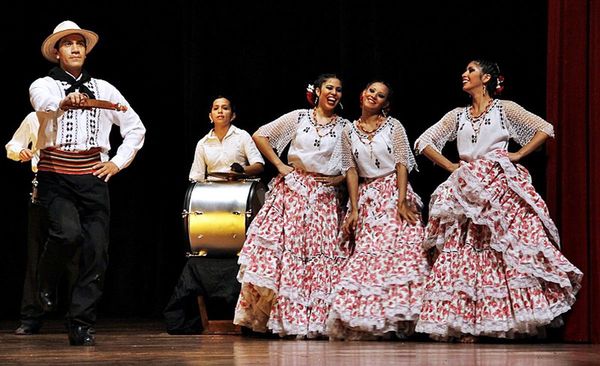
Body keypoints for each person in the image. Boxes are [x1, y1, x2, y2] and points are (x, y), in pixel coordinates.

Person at [413, 59, 583, 341]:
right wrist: (451, 166)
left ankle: (505, 320)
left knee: (502, 249)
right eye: (465, 70)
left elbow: (545, 128)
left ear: (487, 78)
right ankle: (469, 321)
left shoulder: (505, 109)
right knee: (467, 250)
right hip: (466, 184)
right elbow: (424, 141)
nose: (464, 74)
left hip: (498, 181)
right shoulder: (458, 115)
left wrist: (517, 155)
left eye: (471, 70)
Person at [29, 20, 146, 346]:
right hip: (56, 176)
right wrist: (64, 102)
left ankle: (81, 323)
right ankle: (46, 280)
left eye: (80, 43)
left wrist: (116, 162)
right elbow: (42, 103)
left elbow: (136, 128)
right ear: (57, 52)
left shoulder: (105, 89)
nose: (76, 48)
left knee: (96, 252)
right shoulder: (45, 85)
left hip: (92, 178)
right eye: (68, 44)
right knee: (67, 234)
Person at [233, 74, 349, 338]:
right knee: (290, 256)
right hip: (294, 191)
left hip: (323, 197)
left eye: (339, 89)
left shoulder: (345, 127)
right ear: (317, 91)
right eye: (329, 88)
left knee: (320, 258)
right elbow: (260, 135)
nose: (334, 93)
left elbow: (355, 162)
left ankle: (315, 322)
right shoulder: (299, 117)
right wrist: (280, 165)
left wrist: (338, 178)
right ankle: (285, 320)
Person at [326, 81, 430, 340]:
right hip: (368, 196)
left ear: (386, 103)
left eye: (380, 95)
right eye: (371, 91)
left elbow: (402, 163)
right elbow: (350, 170)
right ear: (362, 95)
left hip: (393, 190)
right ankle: (374, 320)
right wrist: (353, 208)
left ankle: (403, 319)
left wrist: (402, 199)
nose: (374, 96)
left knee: (401, 254)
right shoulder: (348, 131)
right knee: (370, 257)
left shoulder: (394, 126)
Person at [189, 96, 264, 182]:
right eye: (216, 108)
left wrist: (242, 170)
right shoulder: (203, 143)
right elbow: (197, 176)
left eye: (225, 108)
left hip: (239, 189)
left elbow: (259, 166)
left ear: (233, 116)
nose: (220, 111)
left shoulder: (242, 136)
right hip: (212, 190)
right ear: (210, 116)